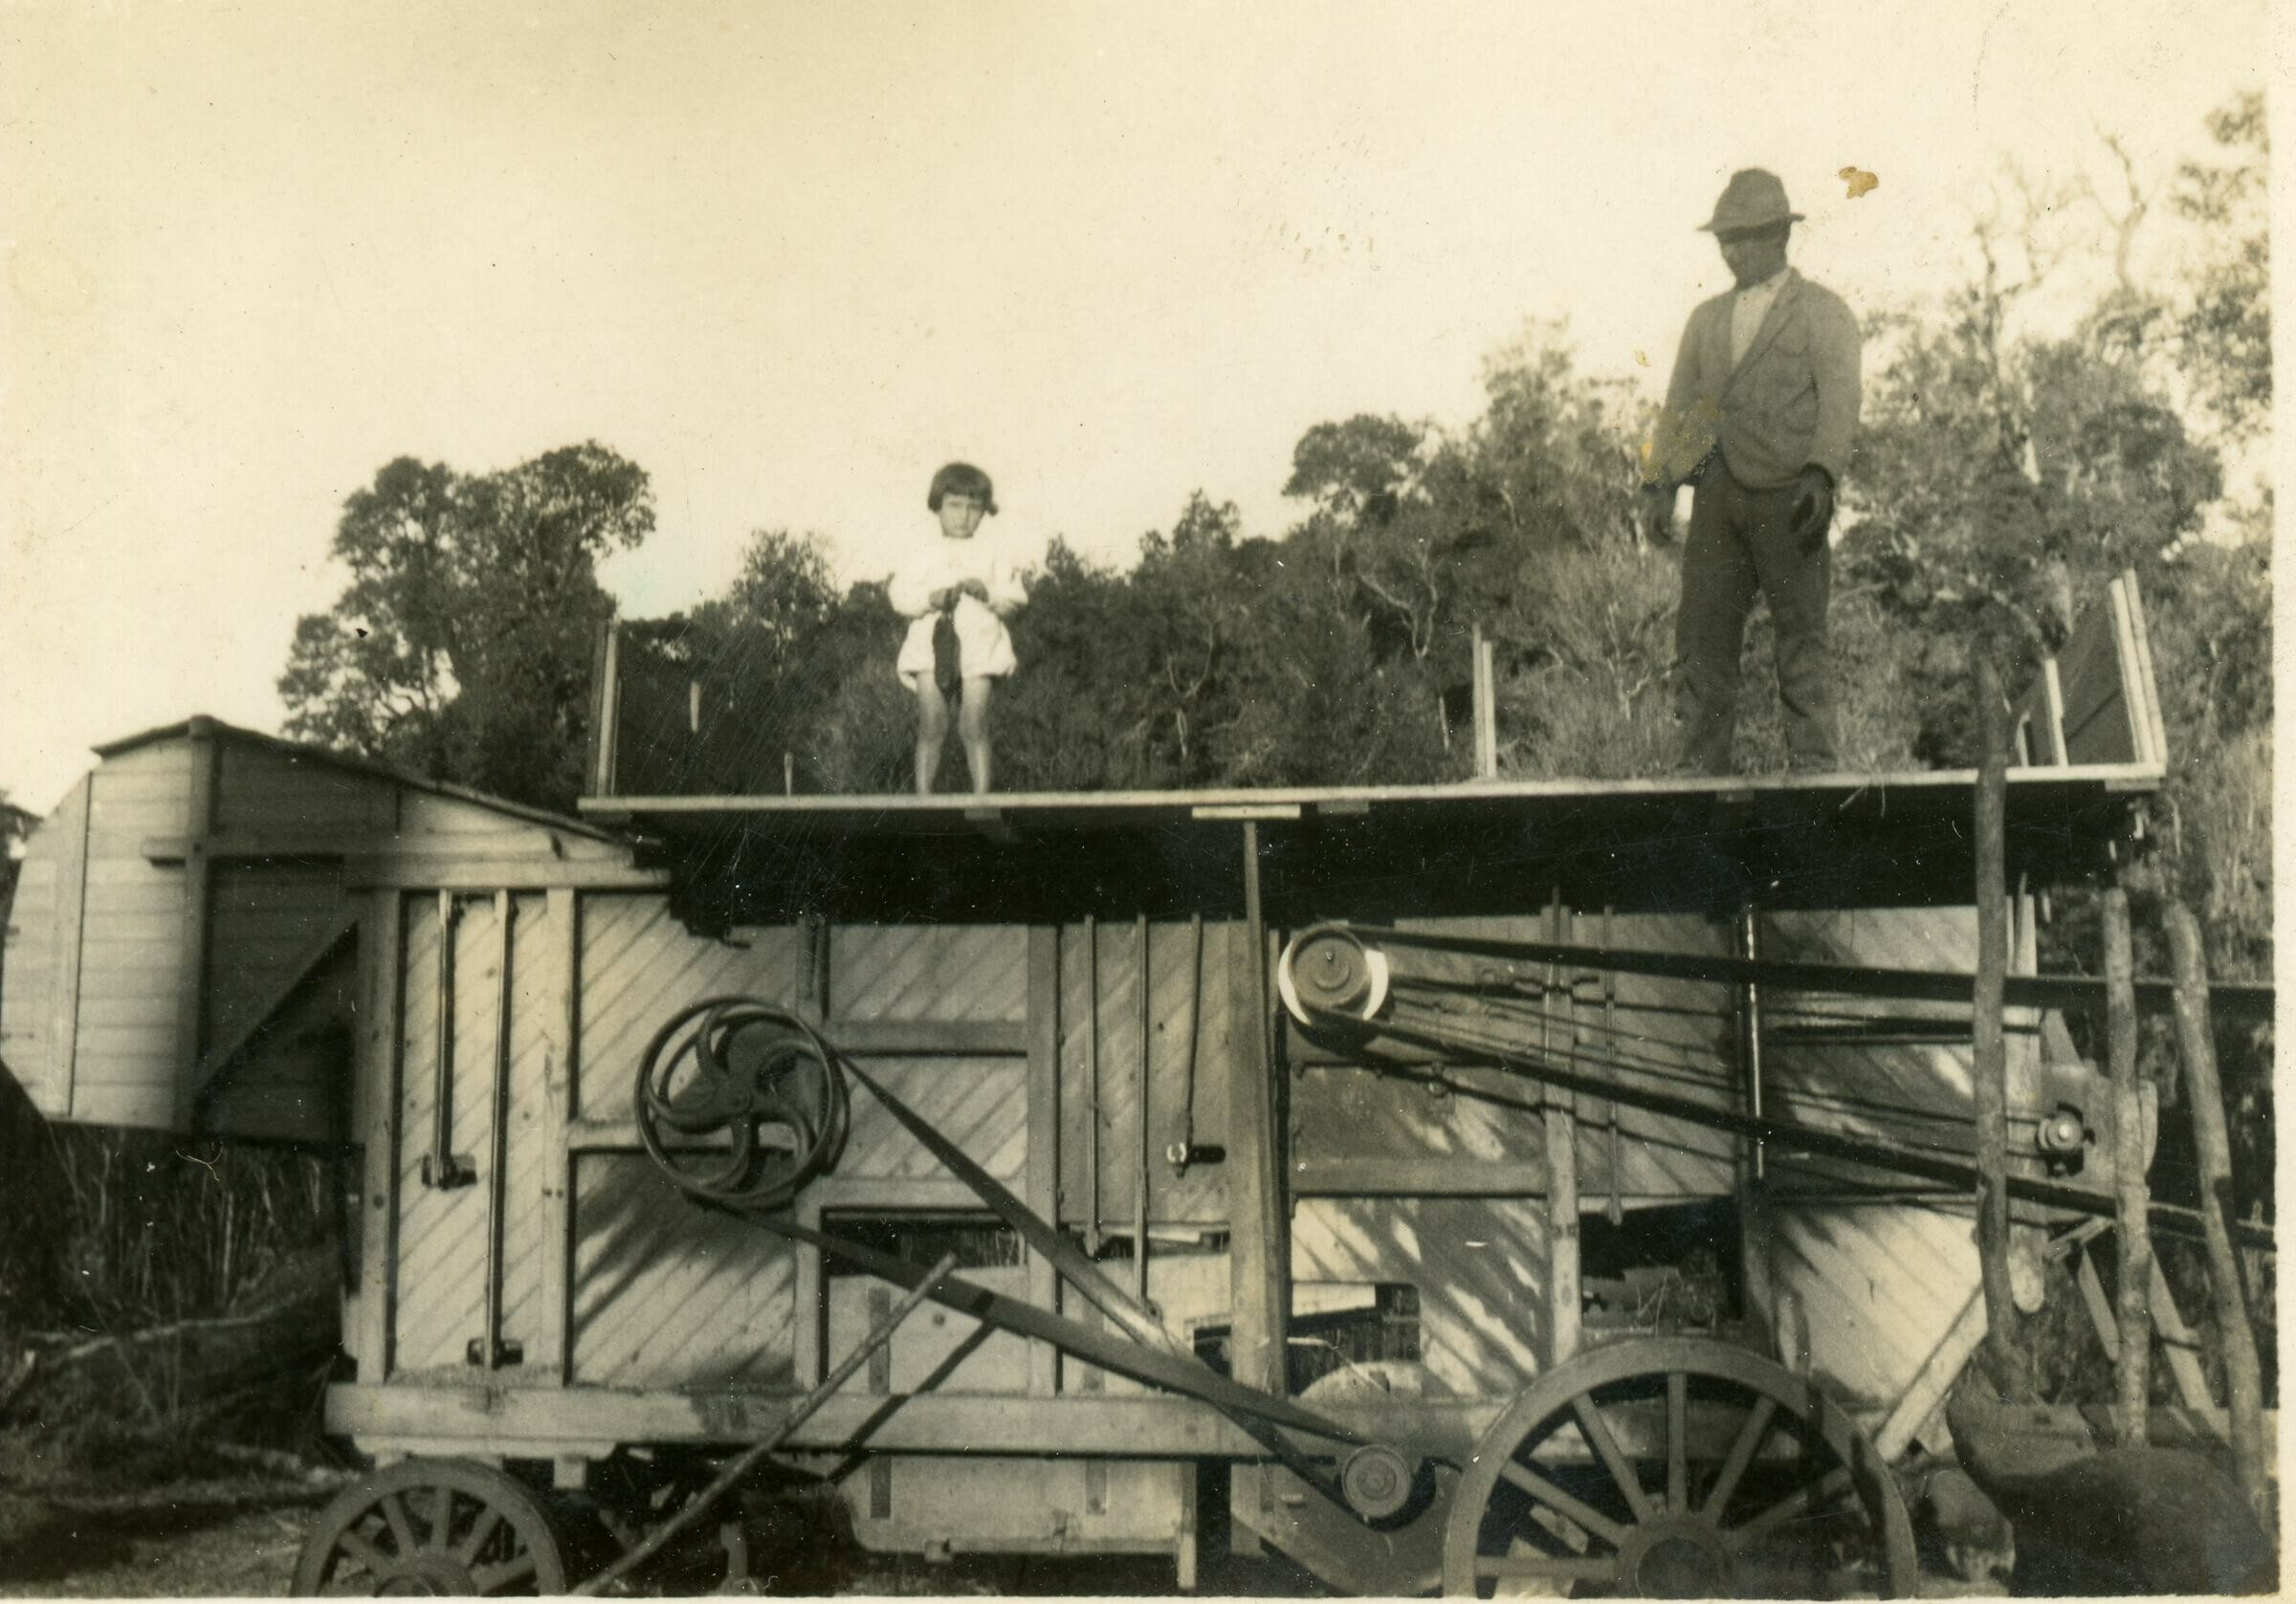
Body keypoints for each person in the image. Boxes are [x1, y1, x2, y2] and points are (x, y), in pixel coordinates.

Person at [1640, 168, 1862, 774]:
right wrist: (1661, 486)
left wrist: (1821, 474)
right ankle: (1696, 771)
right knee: (1702, 640)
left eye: (1742, 237)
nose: (1731, 251)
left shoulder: (1823, 312)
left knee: (1802, 638)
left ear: (1778, 237)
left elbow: (1840, 400)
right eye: (1724, 239)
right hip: (1716, 495)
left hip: (1790, 498)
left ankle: (1815, 769)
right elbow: (1682, 403)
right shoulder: (1705, 320)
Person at [888, 461, 1024, 794]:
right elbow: (899, 596)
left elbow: (1016, 597)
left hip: (980, 647)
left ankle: (981, 797)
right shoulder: (921, 553)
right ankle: (923, 798)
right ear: (938, 506)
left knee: (973, 722)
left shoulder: (993, 553)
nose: (963, 517)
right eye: (954, 506)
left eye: (973, 508)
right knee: (932, 722)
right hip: (930, 648)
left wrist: (988, 593)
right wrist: (928, 598)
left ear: (983, 512)